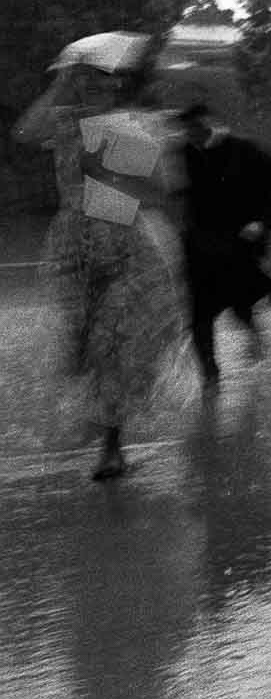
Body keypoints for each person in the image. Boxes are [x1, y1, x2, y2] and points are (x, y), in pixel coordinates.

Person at [12, 32, 183, 480]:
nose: (92, 90)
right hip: (73, 244)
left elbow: (159, 190)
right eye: (84, 82)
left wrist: (110, 172)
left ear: (114, 88)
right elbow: (26, 131)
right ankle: (99, 413)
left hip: (123, 240)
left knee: (114, 341)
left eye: (100, 83)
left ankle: (112, 446)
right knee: (84, 340)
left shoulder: (123, 129)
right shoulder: (66, 123)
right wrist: (59, 86)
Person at [174, 102, 271, 386]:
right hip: (199, 247)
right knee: (199, 316)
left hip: (238, 244)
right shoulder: (184, 153)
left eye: (195, 129)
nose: (191, 136)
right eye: (187, 130)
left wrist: (261, 221)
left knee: (238, 305)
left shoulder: (245, 151)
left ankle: (255, 334)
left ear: (209, 125)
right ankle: (210, 375)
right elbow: (179, 193)